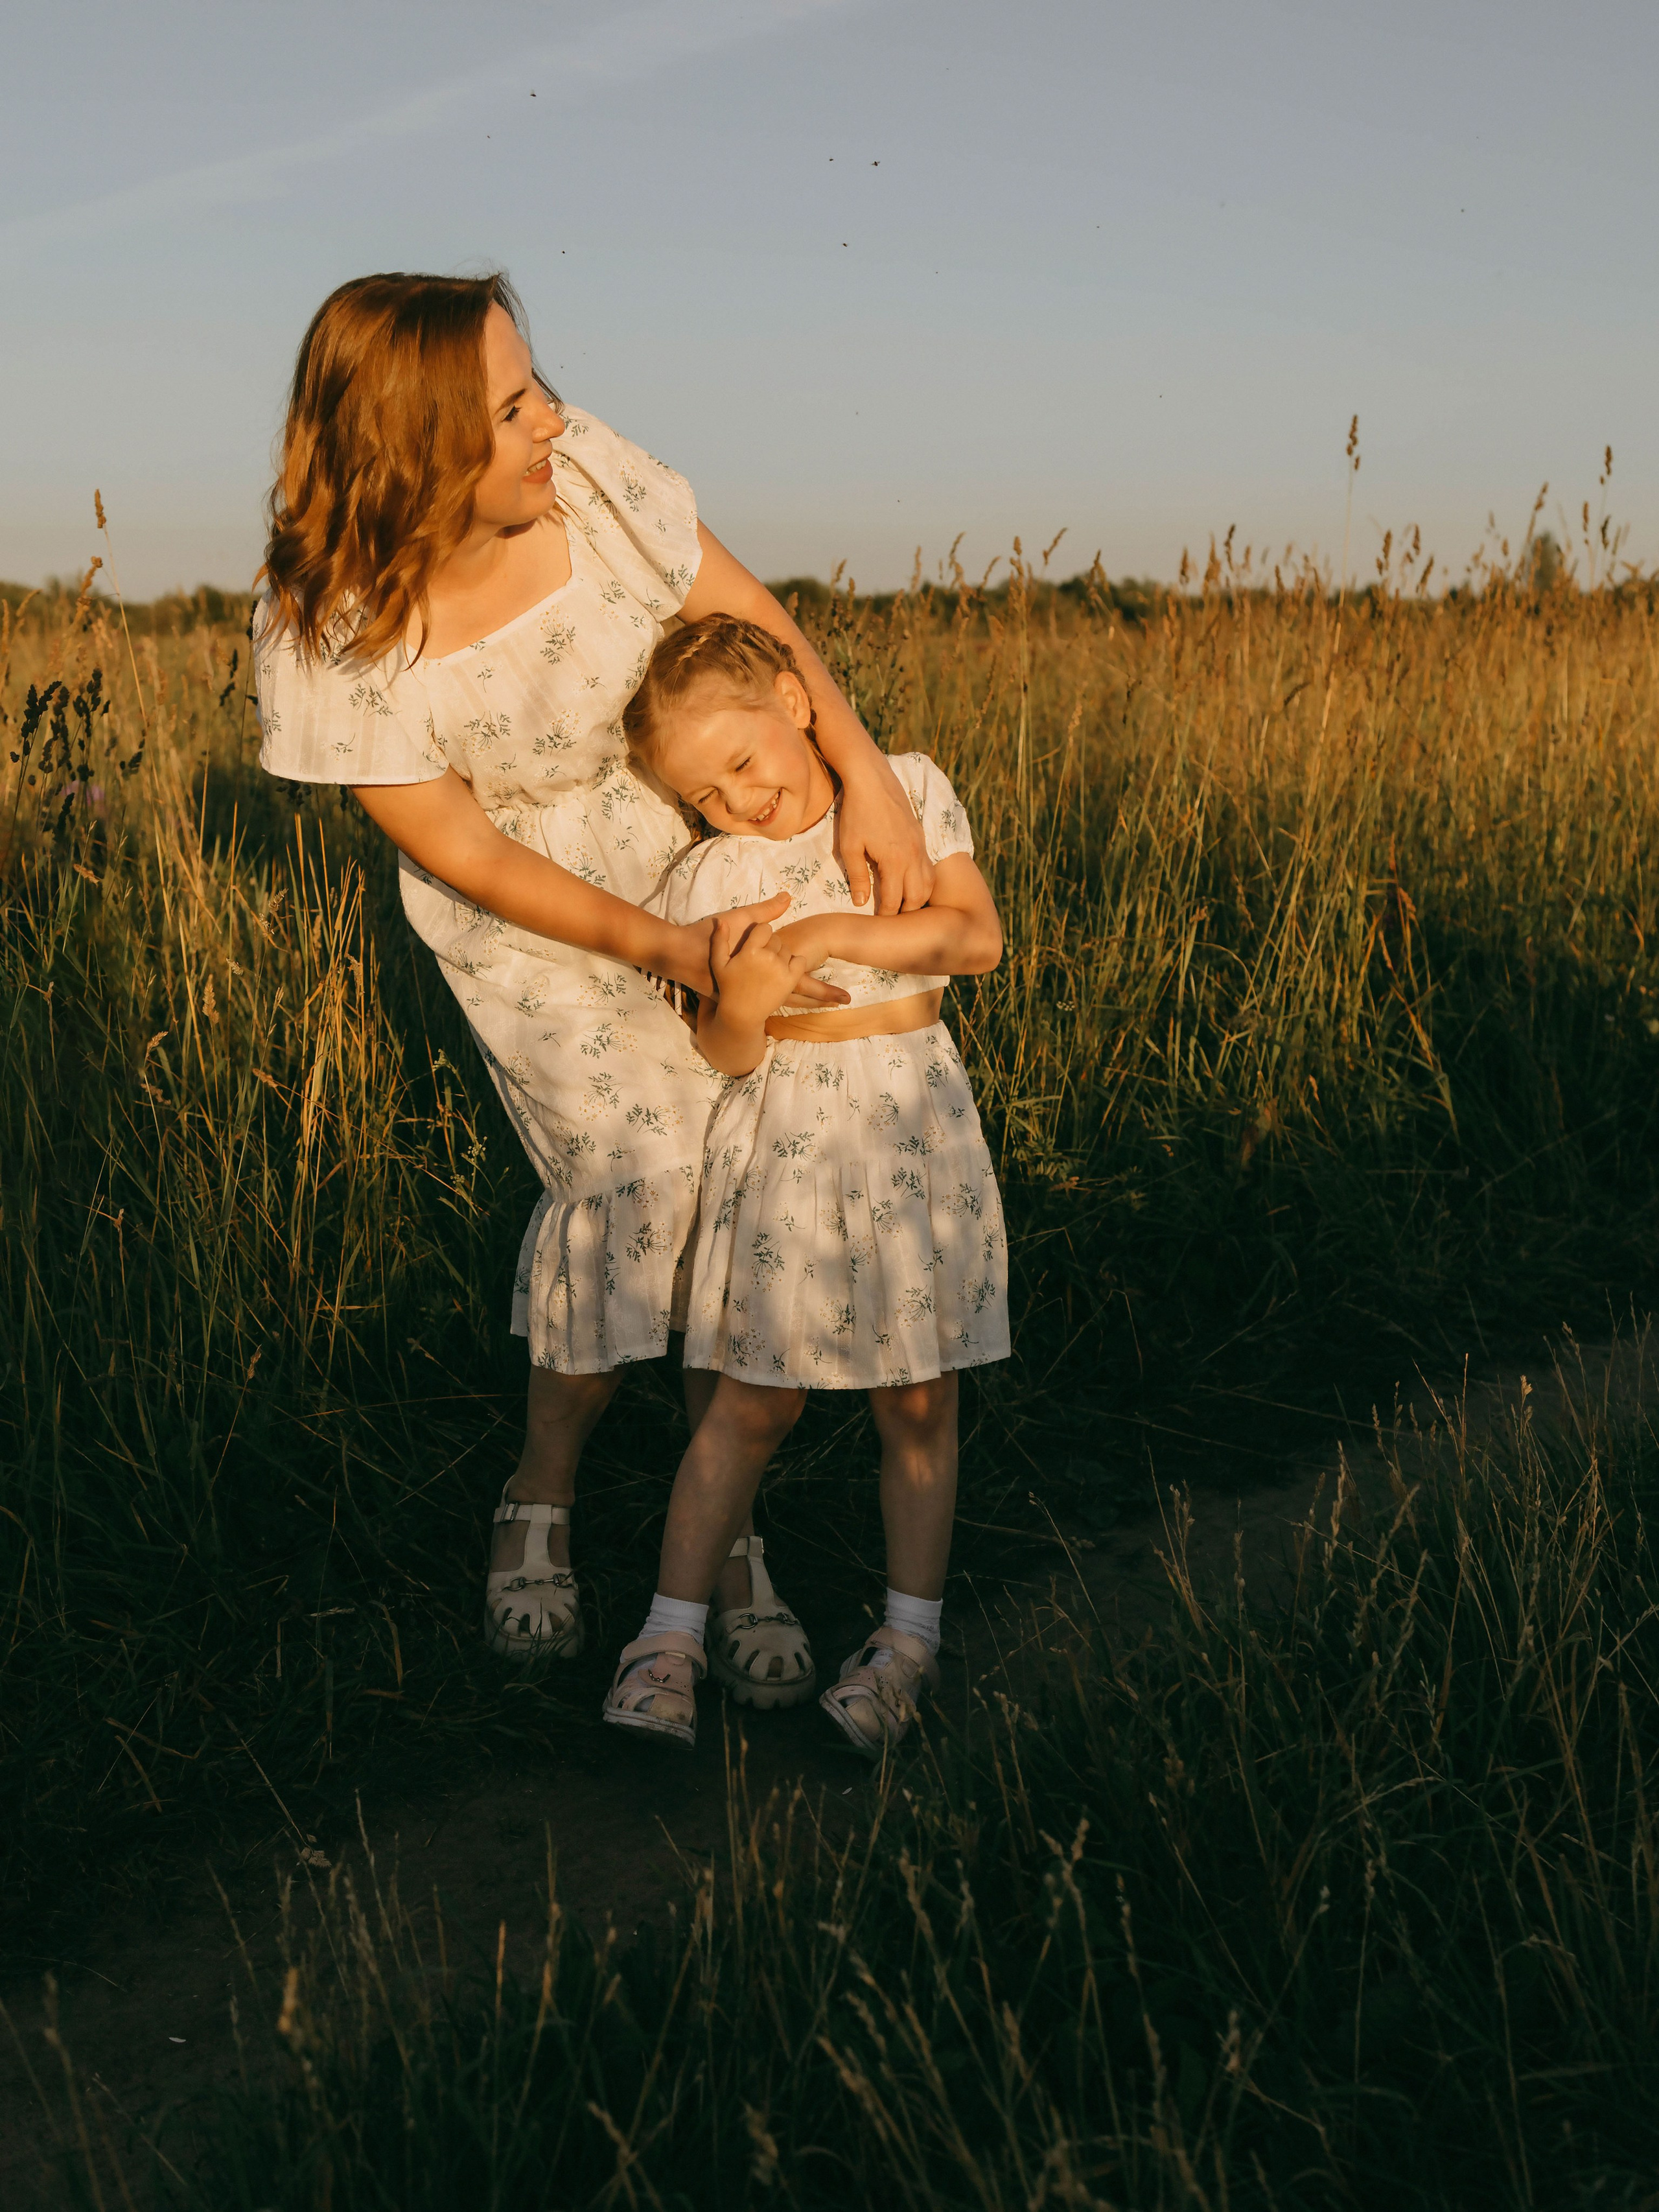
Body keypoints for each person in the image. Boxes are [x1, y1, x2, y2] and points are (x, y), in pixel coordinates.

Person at [253, 272, 933, 1663]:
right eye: (507, 407)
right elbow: (464, 851)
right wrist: (666, 949)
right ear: (413, 445)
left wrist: (864, 778)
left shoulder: (594, 482)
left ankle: (720, 1533)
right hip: (534, 928)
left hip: (701, 852)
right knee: (646, 1184)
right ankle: (538, 1494)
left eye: (534, 380)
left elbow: (759, 626)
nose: (550, 415)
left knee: (743, 1178)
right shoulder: (327, 624)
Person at [599, 616, 1008, 1755]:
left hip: (913, 1135)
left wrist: (831, 928)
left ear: (795, 697)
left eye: (745, 763)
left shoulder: (910, 791)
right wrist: (745, 992)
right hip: (783, 1143)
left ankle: (905, 1644)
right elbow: (726, 1052)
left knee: (921, 1400)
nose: (740, 802)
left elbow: (975, 938)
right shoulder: (718, 873)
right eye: (708, 794)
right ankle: (669, 1638)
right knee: (752, 1399)